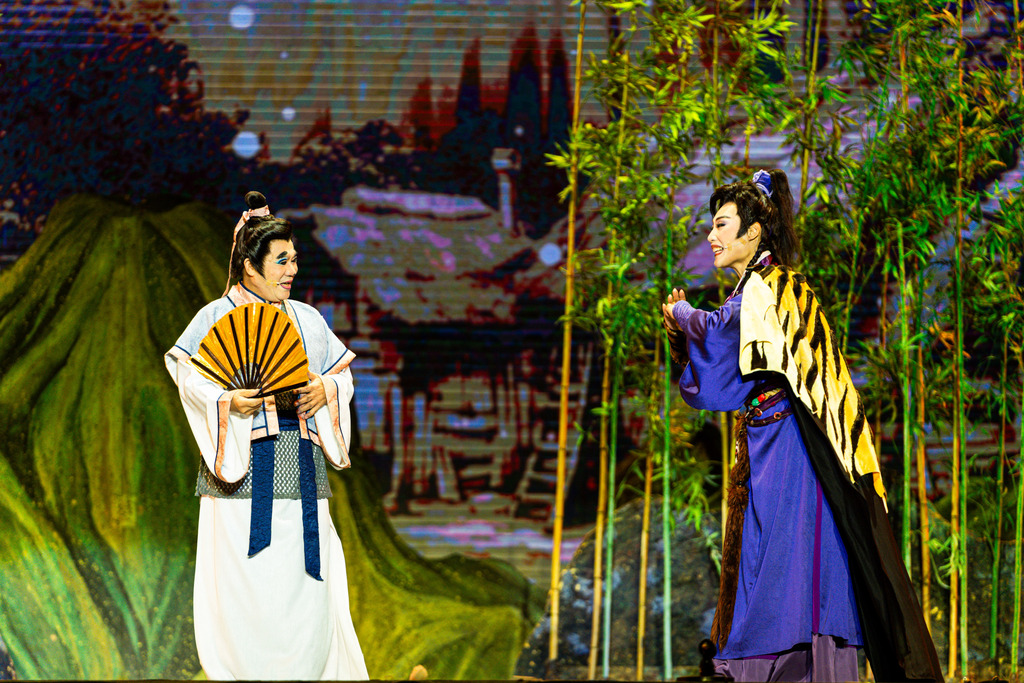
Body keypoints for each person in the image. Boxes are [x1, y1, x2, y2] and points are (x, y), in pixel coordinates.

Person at [662, 170, 940, 682]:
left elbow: (720, 330)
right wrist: (685, 337)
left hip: (794, 447)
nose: (711, 236)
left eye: (721, 224)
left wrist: (682, 312)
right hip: (771, 441)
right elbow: (731, 373)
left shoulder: (772, 288)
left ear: (752, 232)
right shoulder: (761, 288)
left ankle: (794, 669)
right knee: (775, 562)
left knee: (786, 564)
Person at [164, 192, 368, 680]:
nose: (292, 270)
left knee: (304, 584)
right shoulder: (215, 317)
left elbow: (342, 375)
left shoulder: (308, 319)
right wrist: (226, 402)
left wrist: (325, 389)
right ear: (249, 268)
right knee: (244, 583)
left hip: (300, 467)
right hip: (240, 469)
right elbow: (187, 375)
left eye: (294, 259)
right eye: (281, 260)